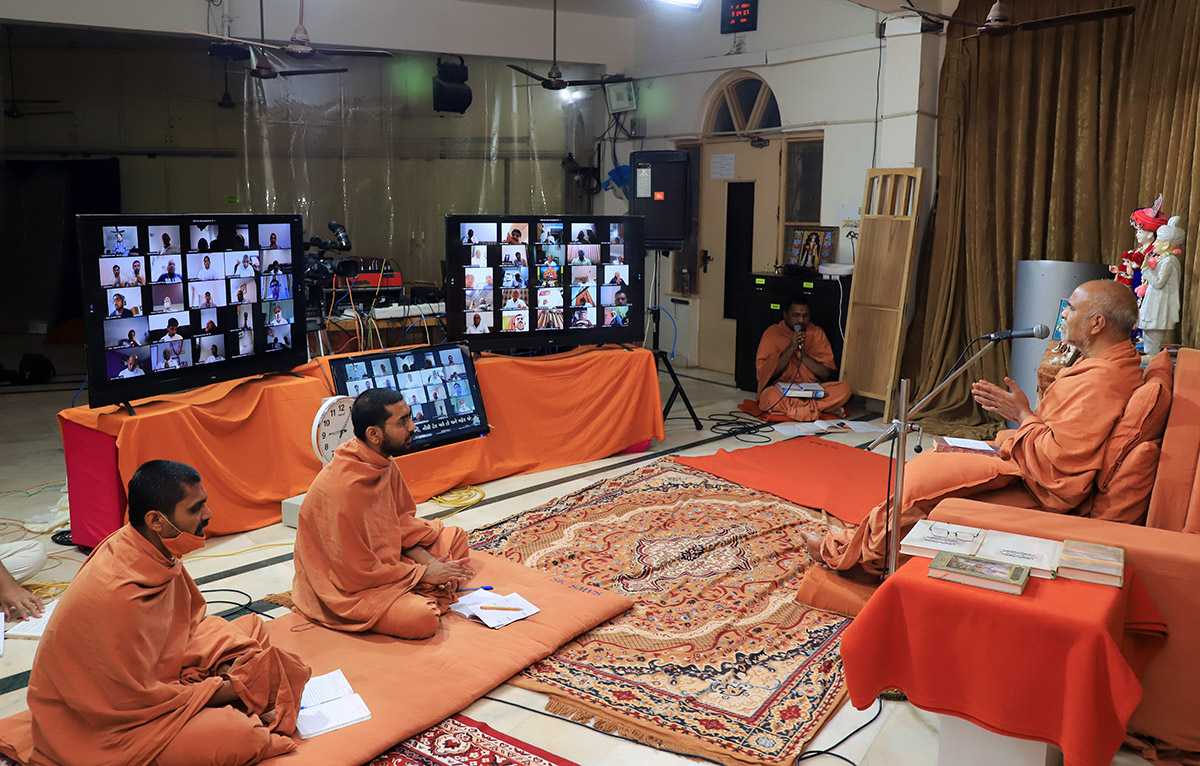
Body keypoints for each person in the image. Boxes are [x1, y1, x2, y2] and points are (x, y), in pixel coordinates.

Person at [803, 280, 1145, 578]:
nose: (1063, 315)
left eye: (1071, 308)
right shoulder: (1104, 363)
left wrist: (1023, 414)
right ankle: (858, 542)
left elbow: (1060, 467)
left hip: (1036, 482)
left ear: (1096, 323)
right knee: (933, 462)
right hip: (1025, 458)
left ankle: (854, 556)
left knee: (922, 486)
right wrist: (1026, 416)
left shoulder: (1102, 380)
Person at [22, 460, 310, 766]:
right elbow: (132, 703)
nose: (208, 514)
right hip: (111, 724)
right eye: (196, 508)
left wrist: (231, 675)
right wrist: (234, 687)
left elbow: (186, 626)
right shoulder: (118, 592)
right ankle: (235, 700)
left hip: (157, 671)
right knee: (243, 736)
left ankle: (234, 690)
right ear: (156, 520)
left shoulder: (149, 547)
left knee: (248, 628)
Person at [293, 389, 474, 639]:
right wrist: (422, 573)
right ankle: (422, 590)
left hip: (389, 563)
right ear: (374, 434)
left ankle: (424, 587)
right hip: (349, 587)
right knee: (423, 619)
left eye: (410, 417)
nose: (413, 427)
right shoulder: (342, 488)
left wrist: (431, 564)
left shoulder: (382, 459)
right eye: (403, 421)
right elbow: (354, 573)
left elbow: (402, 525)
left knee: (456, 537)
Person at [755, 295, 851, 423]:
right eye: (796, 315)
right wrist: (791, 348)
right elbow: (766, 373)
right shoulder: (773, 333)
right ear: (785, 315)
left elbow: (825, 373)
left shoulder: (816, 333)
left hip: (811, 390)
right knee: (769, 397)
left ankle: (799, 409)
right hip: (783, 391)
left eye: (805, 316)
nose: (801, 320)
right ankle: (819, 409)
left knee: (844, 389)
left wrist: (802, 356)